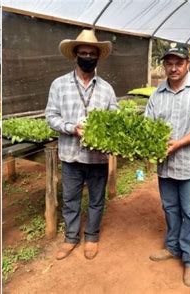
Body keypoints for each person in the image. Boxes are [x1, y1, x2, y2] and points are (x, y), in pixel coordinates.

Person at [144, 43, 190, 287]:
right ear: (164, 65)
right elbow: (148, 126)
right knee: (170, 209)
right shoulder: (157, 94)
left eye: (179, 63)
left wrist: (179, 143)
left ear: (188, 64)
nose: (173, 68)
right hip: (166, 166)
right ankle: (173, 247)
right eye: (169, 63)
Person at [45, 29, 118, 260]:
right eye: (83, 53)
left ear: (97, 56)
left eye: (91, 53)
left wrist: (105, 134)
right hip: (70, 154)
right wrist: (71, 128)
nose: (87, 56)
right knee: (70, 199)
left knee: (96, 199)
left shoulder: (106, 88)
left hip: (97, 157)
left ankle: (92, 237)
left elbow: (115, 118)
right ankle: (71, 238)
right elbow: (50, 116)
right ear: (75, 55)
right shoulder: (59, 85)